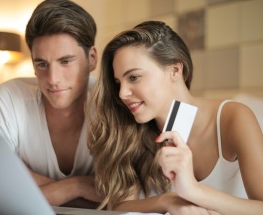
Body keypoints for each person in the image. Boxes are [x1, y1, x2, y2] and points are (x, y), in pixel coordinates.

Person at [87, 20, 263, 214]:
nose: (122, 93)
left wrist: (194, 191)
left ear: (175, 70)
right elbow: (120, 206)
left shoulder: (233, 118)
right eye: (119, 82)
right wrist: (167, 201)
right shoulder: (132, 132)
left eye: (134, 77)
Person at [0, 0, 101, 208]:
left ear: (92, 58)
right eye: (41, 64)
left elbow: (122, 194)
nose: (52, 79)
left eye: (65, 61)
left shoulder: (112, 103)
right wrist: (76, 186)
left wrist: (22, 179)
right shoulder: (10, 97)